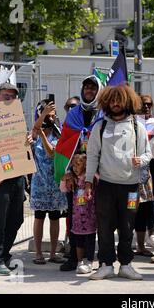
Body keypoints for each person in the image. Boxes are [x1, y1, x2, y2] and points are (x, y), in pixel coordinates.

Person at [85, 85, 152, 280]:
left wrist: (143, 160)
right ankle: (105, 264)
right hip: (105, 185)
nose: (115, 103)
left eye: (119, 100)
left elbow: (148, 153)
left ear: (127, 102)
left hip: (131, 188)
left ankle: (126, 264)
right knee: (104, 226)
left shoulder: (137, 126)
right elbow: (92, 155)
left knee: (128, 225)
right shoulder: (100, 126)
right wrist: (89, 181)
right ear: (106, 102)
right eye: (112, 100)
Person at [57, 75, 103, 272]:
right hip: (75, 176)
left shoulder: (102, 115)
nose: (89, 91)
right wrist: (67, 171)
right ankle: (73, 258)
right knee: (73, 216)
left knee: (95, 216)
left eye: (93, 88)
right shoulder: (73, 114)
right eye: (86, 88)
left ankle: (94, 256)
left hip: (96, 175)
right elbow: (65, 143)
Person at [0, 82, 27, 276]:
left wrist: (28, 140)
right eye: (6, 96)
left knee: (16, 218)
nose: (9, 99)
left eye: (13, 96)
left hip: (16, 174)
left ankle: (3, 254)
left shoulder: (16, 118)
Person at [30, 99, 67, 265]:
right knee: (39, 217)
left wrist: (45, 133)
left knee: (54, 217)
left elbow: (52, 153)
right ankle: (38, 253)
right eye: (47, 116)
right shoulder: (34, 134)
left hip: (54, 182)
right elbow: (35, 131)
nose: (50, 119)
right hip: (39, 182)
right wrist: (42, 117)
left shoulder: (58, 133)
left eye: (52, 115)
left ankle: (53, 253)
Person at [134, 94, 154, 251]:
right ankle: (134, 239)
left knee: (149, 203)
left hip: (152, 166)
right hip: (135, 166)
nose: (146, 107)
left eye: (149, 104)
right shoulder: (133, 122)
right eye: (143, 104)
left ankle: (150, 234)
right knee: (133, 204)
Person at [60, 153, 97, 274]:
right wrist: (63, 179)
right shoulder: (72, 179)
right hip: (76, 217)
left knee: (90, 239)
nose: (75, 167)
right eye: (73, 165)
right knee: (78, 240)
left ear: (85, 165)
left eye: (78, 165)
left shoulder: (90, 178)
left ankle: (89, 261)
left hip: (89, 217)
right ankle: (80, 261)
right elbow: (63, 189)